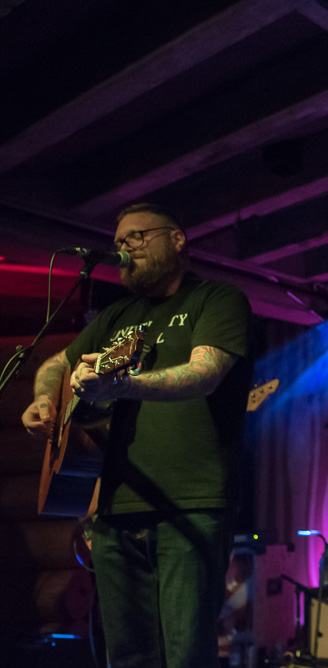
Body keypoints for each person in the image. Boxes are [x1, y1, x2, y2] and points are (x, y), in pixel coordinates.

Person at [22, 203, 253, 668]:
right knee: (126, 657)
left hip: (192, 502)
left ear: (177, 239)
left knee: (186, 654)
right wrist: (46, 401)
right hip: (116, 509)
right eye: (120, 241)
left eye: (137, 237)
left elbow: (204, 374)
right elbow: (56, 364)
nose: (124, 248)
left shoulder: (216, 299)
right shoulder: (116, 317)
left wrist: (121, 384)